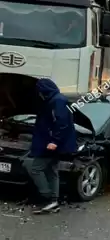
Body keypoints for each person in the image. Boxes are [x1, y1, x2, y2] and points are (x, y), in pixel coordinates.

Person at [30, 78, 77, 214]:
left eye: (39, 90)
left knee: (36, 169)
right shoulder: (55, 100)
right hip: (52, 142)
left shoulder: (57, 101)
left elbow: (61, 123)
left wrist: (54, 141)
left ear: (43, 90)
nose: (38, 93)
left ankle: (47, 198)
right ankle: (54, 201)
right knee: (52, 170)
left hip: (51, 143)